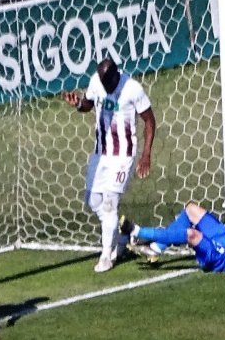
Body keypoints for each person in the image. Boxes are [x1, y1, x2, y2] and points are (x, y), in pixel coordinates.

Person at [63, 57, 156, 273]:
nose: (105, 87)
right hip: (101, 153)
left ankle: (107, 255)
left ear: (116, 75)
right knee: (93, 199)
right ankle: (122, 237)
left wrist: (146, 155)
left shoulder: (132, 88)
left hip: (123, 155)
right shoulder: (96, 81)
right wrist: (77, 103)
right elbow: (87, 104)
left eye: (109, 83)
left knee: (109, 203)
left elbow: (149, 120)